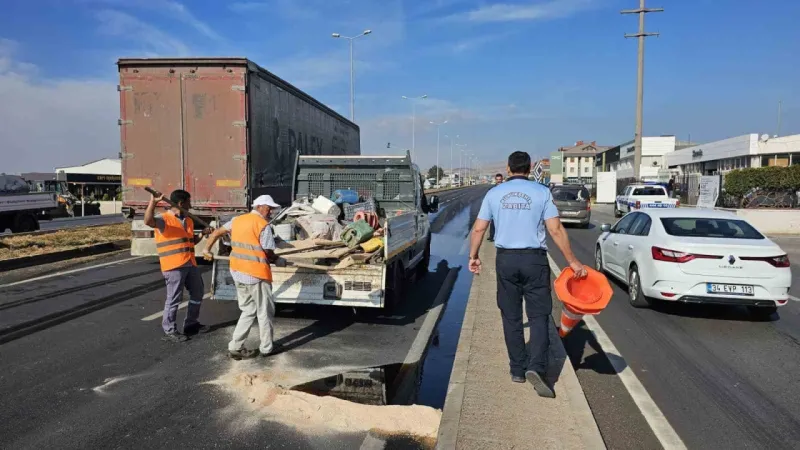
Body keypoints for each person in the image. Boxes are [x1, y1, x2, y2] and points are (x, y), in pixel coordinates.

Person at [468, 151, 587, 398]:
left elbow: (479, 228)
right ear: (530, 167)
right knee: (539, 316)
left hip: (506, 261)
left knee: (511, 316)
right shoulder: (542, 193)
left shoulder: (494, 193)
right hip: (534, 260)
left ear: (509, 168)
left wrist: (474, 256)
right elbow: (555, 229)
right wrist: (573, 261)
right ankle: (537, 367)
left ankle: (517, 370)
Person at [203, 195, 284, 360]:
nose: (270, 211)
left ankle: (235, 346)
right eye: (269, 208)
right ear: (259, 206)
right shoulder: (263, 225)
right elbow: (268, 252)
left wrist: (206, 249)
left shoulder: (237, 220)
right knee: (264, 312)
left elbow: (217, 233)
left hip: (238, 272)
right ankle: (267, 348)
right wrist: (279, 260)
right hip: (257, 275)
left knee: (248, 310)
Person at [144, 190, 213, 342]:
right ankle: (170, 330)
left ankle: (191, 324)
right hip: (174, 265)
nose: (191, 205)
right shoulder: (164, 219)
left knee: (198, 292)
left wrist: (202, 234)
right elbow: (148, 221)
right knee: (174, 298)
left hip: (190, 262)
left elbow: (191, 242)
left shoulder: (187, 220)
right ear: (181, 204)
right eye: (189, 202)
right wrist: (154, 202)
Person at [488, 173, 504, 241]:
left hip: (503, 207)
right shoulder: (492, 189)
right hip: (495, 207)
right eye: (497, 179)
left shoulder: (505, 188)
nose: (498, 181)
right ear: (495, 180)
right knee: (493, 223)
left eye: (500, 179)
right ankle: (491, 236)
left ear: (502, 179)